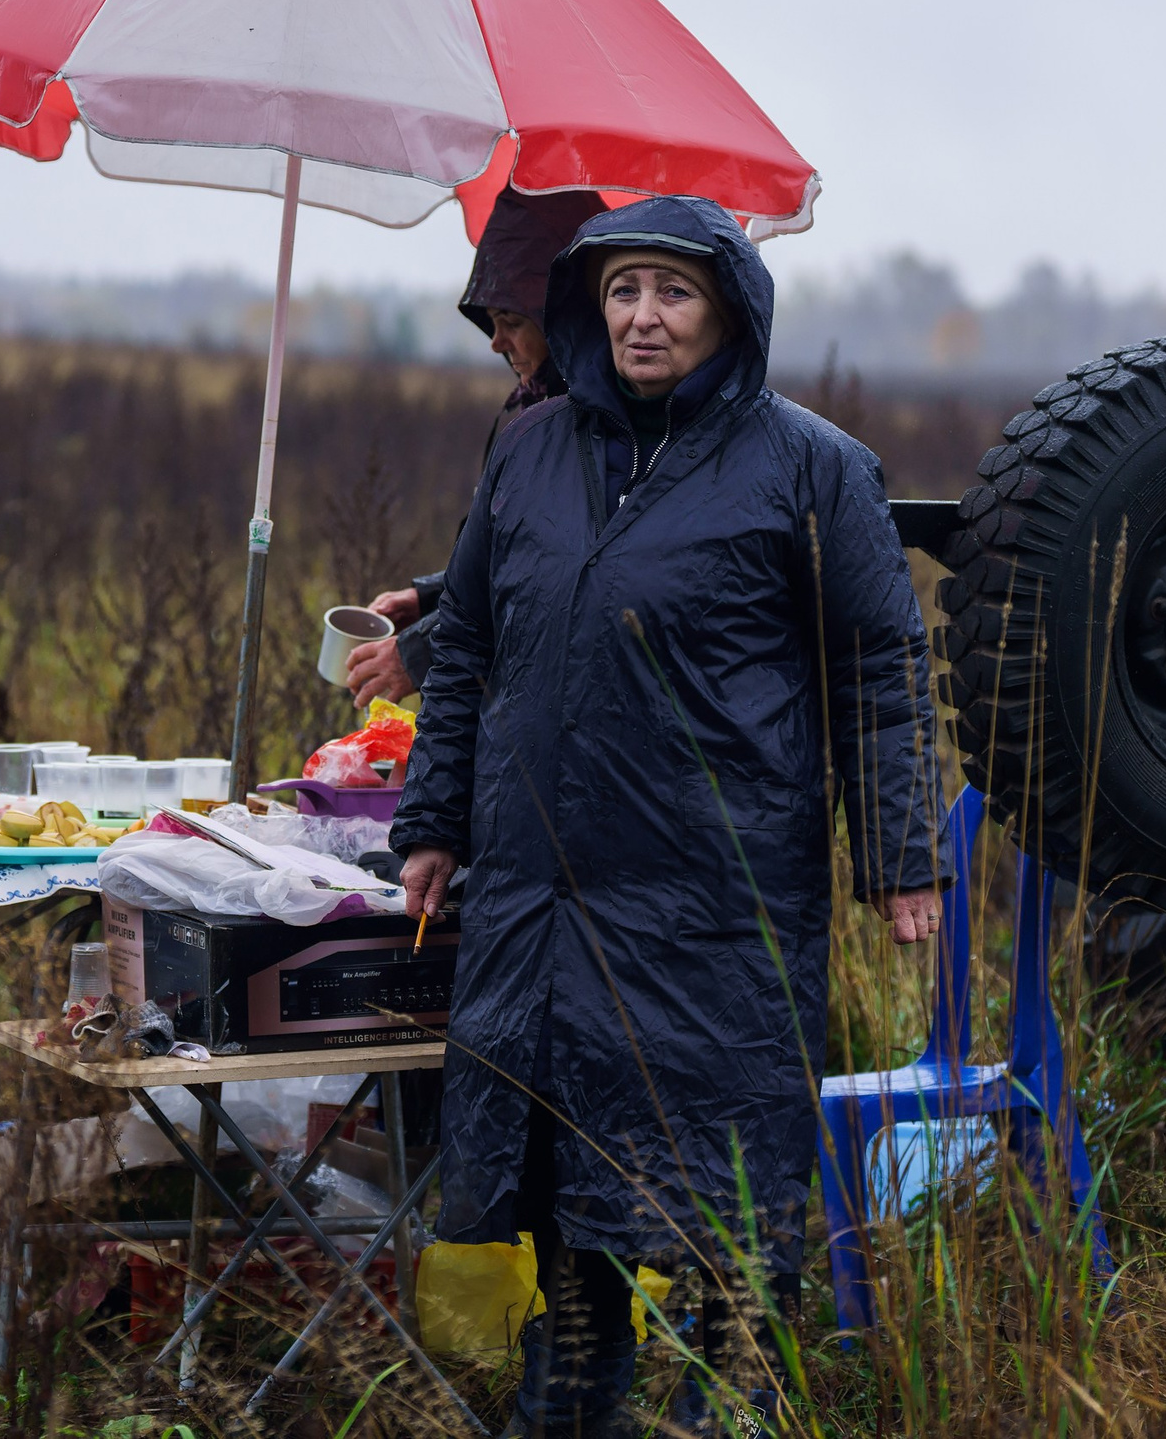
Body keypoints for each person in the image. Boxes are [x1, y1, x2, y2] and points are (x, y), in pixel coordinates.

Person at [388, 195, 943, 1437]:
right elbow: (469, 638)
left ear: (728, 310)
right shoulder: (528, 452)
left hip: (711, 898)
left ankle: (738, 1396)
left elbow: (878, 671)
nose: (645, 317)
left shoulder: (811, 466)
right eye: (624, 291)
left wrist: (899, 857)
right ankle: (573, 1378)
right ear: (592, 306)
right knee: (554, 1156)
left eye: (674, 293)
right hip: (539, 887)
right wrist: (431, 822)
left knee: (722, 1171)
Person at [345, 188, 601, 707]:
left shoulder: (592, 429)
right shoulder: (540, 411)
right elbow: (505, 554)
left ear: (564, 321)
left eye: (512, 323)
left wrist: (415, 655)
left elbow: (536, 584)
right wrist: (429, 597)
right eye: (491, 323)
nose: (495, 342)